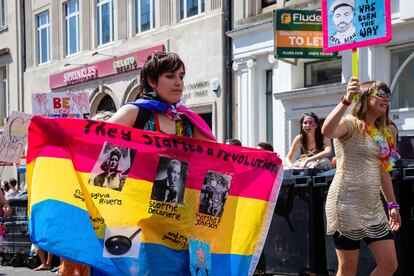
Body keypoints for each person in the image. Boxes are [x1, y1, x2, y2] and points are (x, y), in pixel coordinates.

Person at [322, 77, 400, 276]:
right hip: (346, 203)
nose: (386, 99)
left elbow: (383, 171)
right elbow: (327, 130)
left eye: (388, 95)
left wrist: (392, 205)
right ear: (365, 97)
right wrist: (346, 99)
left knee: (389, 264)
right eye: (380, 94)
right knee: (347, 269)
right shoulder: (350, 124)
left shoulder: (384, 133)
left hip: (373, 206)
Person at [108, 51, 215, 142]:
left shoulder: (185, 120)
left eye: (181, 77)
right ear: (152, 81)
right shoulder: (134, 112)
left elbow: (214, 159)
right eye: (170, 76)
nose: (179, 83)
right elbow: (95, 140)